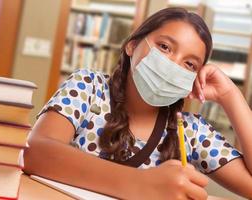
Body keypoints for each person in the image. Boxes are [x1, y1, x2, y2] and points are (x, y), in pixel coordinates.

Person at [23, 7, 252, 200]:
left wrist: (231, 95)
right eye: (164, 47)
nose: (173, 65)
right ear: (131, 46)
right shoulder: (88, 87)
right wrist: (142, 184)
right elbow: (35, 151)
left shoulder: (190, 132)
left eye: (190, 64)